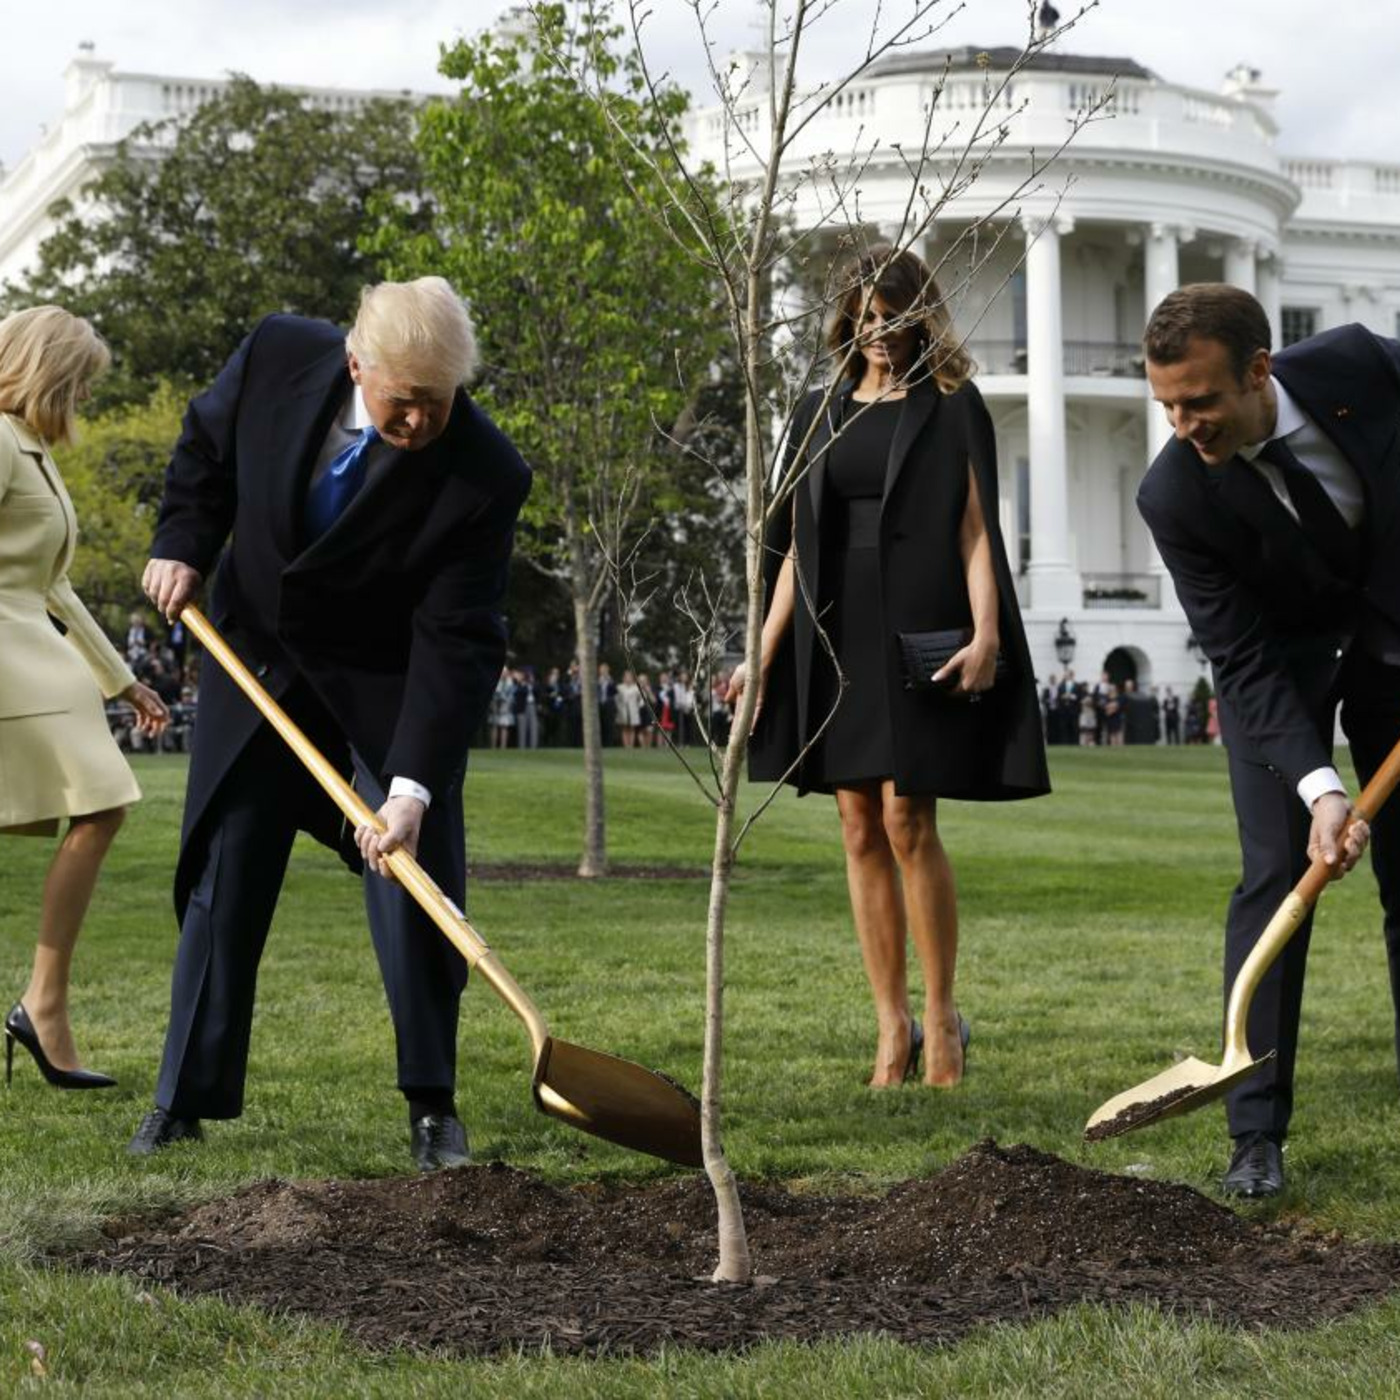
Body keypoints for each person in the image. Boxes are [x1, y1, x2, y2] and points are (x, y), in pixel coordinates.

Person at [128, 277, 531, 1170]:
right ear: (357, 365)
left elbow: (457, 636)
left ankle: (432, 1107)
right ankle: (181, 1099)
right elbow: (206, 450)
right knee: (228, 867)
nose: (420, 421)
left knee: (412, 880)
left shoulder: (485, 474)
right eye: (403, 401)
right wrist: (182, 543)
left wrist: (412, 789)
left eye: (438, 403)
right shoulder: (276, 353)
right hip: (255, 659)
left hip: (385, 686)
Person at [733, 244, 1049, 1088]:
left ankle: (941, 1018)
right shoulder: (817, 412)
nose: (880, 331)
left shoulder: (953, 403)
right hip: (836, 634)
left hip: (919, 627)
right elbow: (793, 548)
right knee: (856, 825)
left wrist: (988, 635)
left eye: (895, 315)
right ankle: (890, 1026)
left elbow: (976, 530)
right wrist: (761, 656)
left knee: (909, 819)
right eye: (866, 317)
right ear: (848, 320)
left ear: (921, 315)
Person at [1138, 282, 1400, 1199]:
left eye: (1200, 401)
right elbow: (1240, 660)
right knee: (1277, 870)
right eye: (1167, 406)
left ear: (1259, 370)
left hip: (1391, 631)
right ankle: (1255, 1135)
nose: (1184, 426)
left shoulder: (1360, 366)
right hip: (1280, 666)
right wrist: (1321, 788)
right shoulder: (1174, 493)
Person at [0, 306, 169, 1089]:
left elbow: (56, 584)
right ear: (50, 372)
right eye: (81, 382)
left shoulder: (31, 449)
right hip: (11, 663)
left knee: (102, 806)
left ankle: (44, 1005)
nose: (86, 398)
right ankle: (43, 1008)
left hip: (37, 660)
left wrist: (120, 677)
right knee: (101, 804)